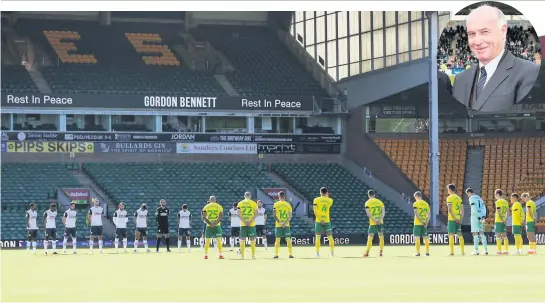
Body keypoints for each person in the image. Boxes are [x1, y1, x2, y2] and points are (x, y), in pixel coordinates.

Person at [451, 5, 539, 112]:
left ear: (503, 31)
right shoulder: (460, 79)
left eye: (485, 32)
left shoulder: (529, 73)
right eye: (472, 34)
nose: (477, 41)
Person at [313, 187, 334, 258]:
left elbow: (315, 211)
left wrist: (320, 220)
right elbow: (327, 202)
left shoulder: (316, 200)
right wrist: (327, 196)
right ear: (326, 193)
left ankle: (317, 254)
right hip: (327, 220)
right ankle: (332, 253)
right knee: (330, 237)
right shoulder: (330, 200)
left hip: (319, 221)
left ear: (320, 192)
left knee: (318, 238)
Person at [466, 188, 488, 255]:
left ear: (469, 193)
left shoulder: (471, 198)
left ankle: (476, 250)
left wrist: (478, 217)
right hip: (481, 216)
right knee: (481, 233)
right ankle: (485, 250)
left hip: (475, 217)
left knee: (475, 233)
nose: (468, 196)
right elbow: (484, 208)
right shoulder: (480, 198)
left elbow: (474, 208)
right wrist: (483, 216)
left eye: (467, 194)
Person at [237, 192, 258, 259]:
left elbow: (238, 213)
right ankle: (253, 256)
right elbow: (256, 213)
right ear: (250, 196)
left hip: (243, 224)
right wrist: (250, 221)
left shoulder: (240, 203)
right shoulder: (254, 203)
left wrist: (244, 221)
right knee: (252, 240)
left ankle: (242, 256)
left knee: (242, 240)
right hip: (251, 224)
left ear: (244, 196)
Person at [364, 190, 385, 257]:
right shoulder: (380, 202)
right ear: (374, 194)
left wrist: (375, 220)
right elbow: (383, 212)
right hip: (380, 222)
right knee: (381, 237)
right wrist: (380, 219)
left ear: (368, 195)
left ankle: (367, 252)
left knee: (370, 237)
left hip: (373, 223)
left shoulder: (367, 203)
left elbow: (368, 213)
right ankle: (381, 252)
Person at [273, 191, 294, 259]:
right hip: (286, 225)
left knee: (277, 239)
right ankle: (290, 254)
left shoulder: (275, 204)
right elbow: (290, 216)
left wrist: (280, 223)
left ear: (278, 197)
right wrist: (285, 223)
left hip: (278, 225)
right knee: (288, 239)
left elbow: (274, 215)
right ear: (284, 197)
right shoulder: (288, 205)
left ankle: (276, 255)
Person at [446, 184, 465, 256]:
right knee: (460, 234)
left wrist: (454, 218)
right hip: (458, 218)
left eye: (448, 189)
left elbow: (450, 209)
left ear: (450, 190)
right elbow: (462, 210)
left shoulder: (449, 198)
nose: (447, 190)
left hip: (452, 219)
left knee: (451, 234)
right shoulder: (459, 198)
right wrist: (460, 219)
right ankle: (462, 251)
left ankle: (451, 251)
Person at [412, 191, 430, 257]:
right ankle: (427, 252)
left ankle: (418, 252)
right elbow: (428, 214)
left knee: (417, 238)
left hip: (417, 223)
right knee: (425, 238)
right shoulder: (426, 204)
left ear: (416, 196)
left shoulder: (415, 204)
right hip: (425, 223)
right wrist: (426, 222)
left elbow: (416, 214)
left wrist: (421, 221)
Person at [494, 189, 510, 255]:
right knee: (504, 236)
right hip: (504, 220)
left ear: (497, 194)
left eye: (495, 194)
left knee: (498, 236)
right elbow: (508, 211)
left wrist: (501, 219)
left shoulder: (498, 201)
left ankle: (499, 251)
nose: (495, 196)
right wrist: (506, 219)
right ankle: (506, 251)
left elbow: (498, 211)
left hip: (499, 220)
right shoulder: (505, 202)